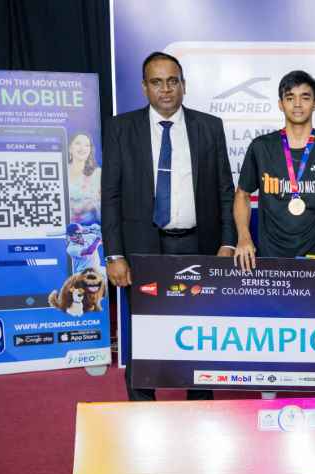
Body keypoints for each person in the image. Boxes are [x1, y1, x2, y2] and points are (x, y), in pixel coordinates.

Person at [101, 51, 235, 401]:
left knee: (200, 332)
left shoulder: (209, 127)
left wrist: (228, 243)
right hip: (141, 249)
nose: (165, 89)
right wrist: (114, 254)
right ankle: (143, 408)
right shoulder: (120, 128)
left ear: (184, 86)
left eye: (172, 81)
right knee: (145, 334)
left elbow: (225, 191)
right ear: (144, 87)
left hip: (198, 245)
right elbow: (110, 196)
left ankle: (200, 406)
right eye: (157, 82)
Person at [233, 70, 315, 437]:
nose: (298, 103)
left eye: (305, 97)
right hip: (272, 258)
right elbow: (242, 195)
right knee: (274, 335)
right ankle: (269, 408)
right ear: (280, 103)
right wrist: (244, 237)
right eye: (291, 97)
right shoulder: (262, 148)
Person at [68, 132, 102, 225]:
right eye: (78, 143)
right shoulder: (61, 170)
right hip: (62, 228)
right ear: (70, 148)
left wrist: (91, 206)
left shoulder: (98, 173)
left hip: (90, 229)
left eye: (87, 145)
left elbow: (107, 206)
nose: (82, 148)